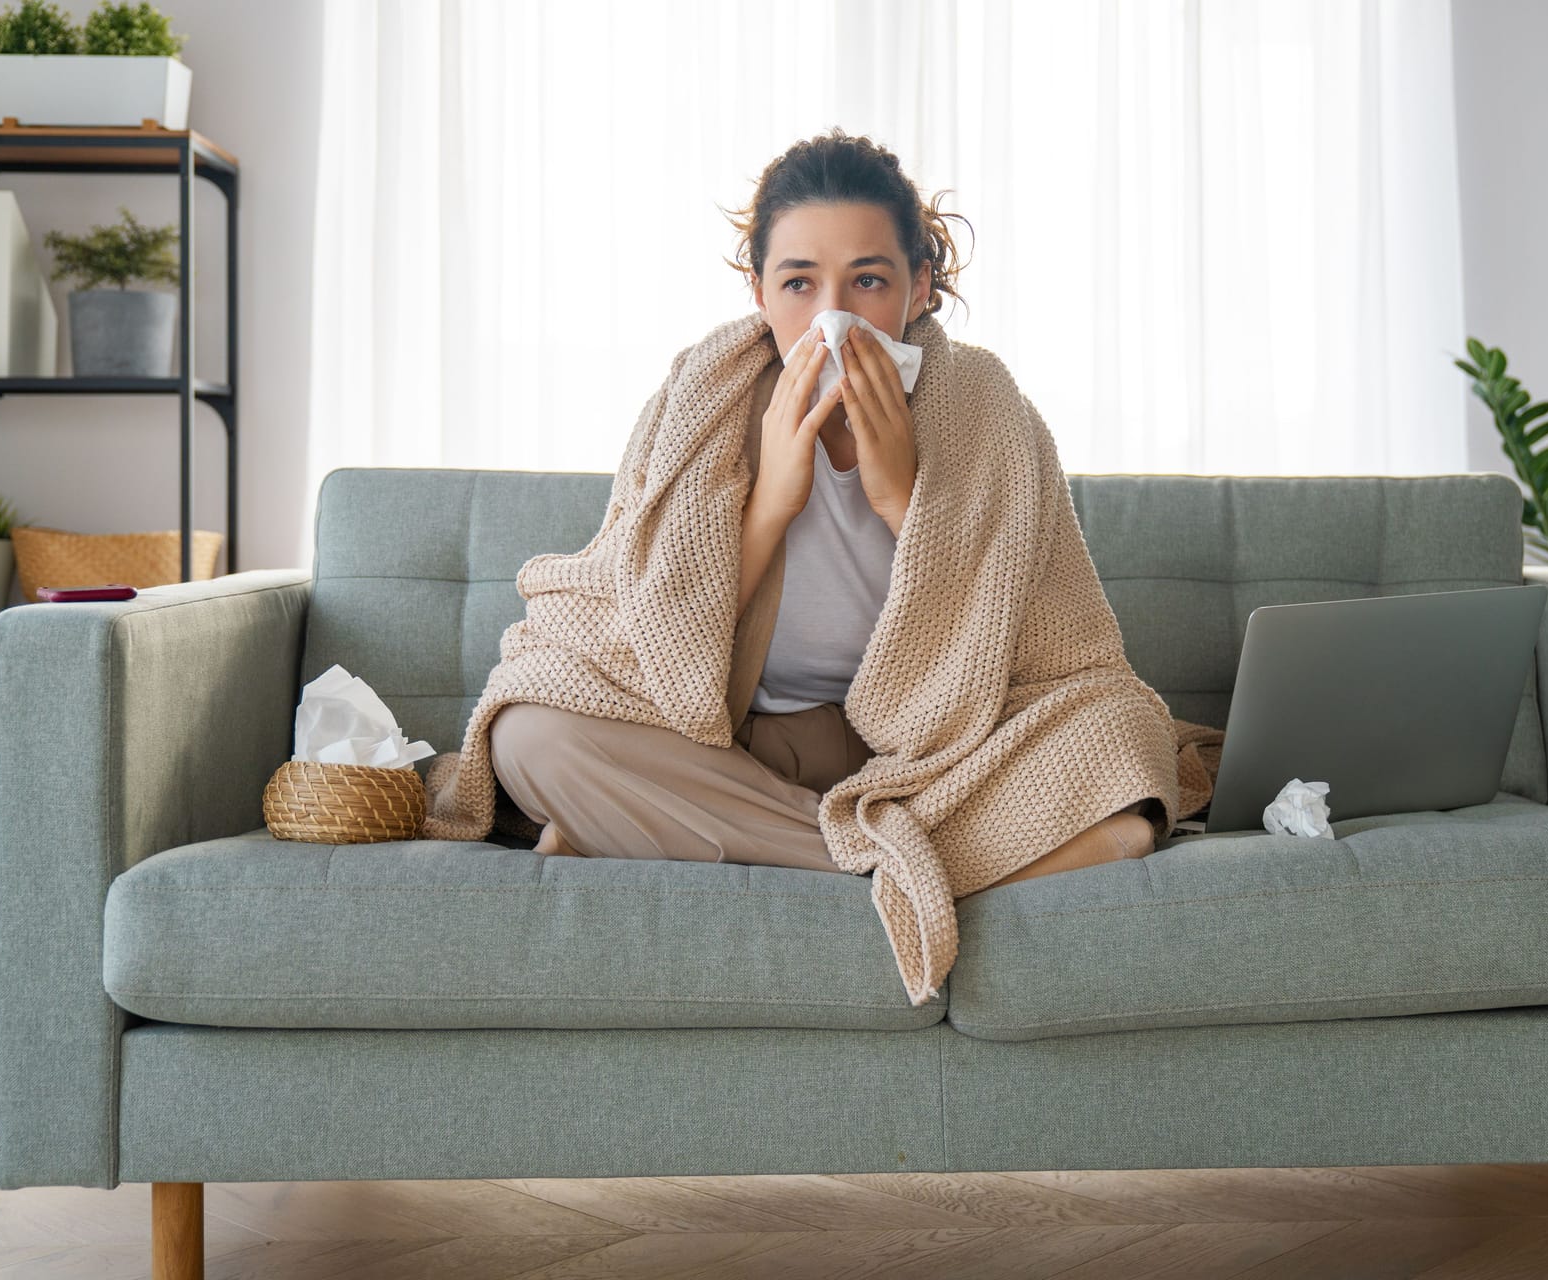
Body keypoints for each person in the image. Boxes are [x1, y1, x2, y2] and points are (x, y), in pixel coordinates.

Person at [487, 128, 1157, 895]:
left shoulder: (986, 407)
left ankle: (701, 840)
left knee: (1123, 735)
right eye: (800, 284)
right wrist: (771, 503)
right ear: (760, 292)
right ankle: (904, 866)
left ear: (921, 286)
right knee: (532, 735)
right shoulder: (701, 399)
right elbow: (654, 644)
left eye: (867, 281)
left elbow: (1047, 646)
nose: (833, 317)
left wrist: (904, 500)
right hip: (746, 746)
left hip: (938, 752)